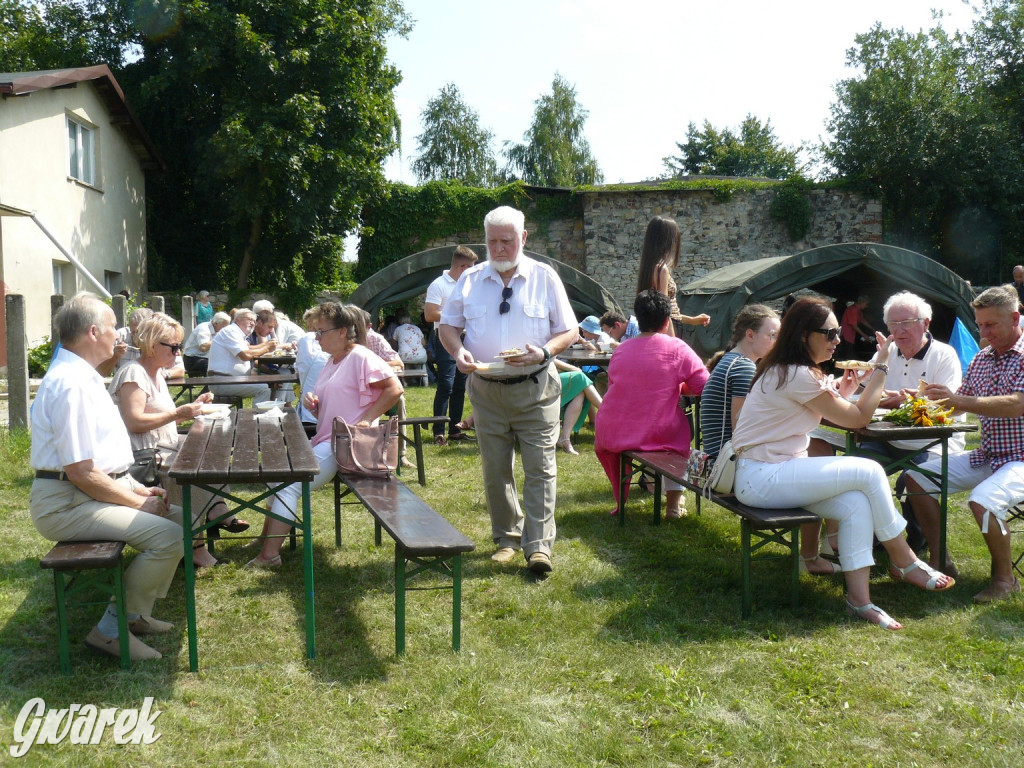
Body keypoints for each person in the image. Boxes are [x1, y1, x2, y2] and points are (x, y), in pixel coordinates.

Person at [730, 297, 954, 631]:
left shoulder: (790, 370)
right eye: (830, 334)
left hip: (770, 474)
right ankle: (904, 558)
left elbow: (824, 404)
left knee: (856, 503)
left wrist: (844, 388)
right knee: (868, 471)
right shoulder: (796, 374)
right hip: (763, 478)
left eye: (838, 333)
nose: (838, 340)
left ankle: (860, 601)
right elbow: (859, 417)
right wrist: (881, 367)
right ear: (805, 335)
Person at [29, 293, 183, 662]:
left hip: (86, 493)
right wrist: (137, 501)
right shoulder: (71, 384)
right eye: (114, 326)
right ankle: (110, 631)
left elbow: (98, 463)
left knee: (182, 520)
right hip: (66, 503)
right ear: (94, 331)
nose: (120, 334)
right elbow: (80, 471)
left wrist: (134, 486)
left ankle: (134, 613)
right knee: (170, 535)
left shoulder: (83, 376)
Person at [439, 206, 577, 575]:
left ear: (523, 238)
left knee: (540, 468)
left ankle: (539, 546)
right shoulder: (468, 280)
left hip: (536, 388)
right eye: (492, 241)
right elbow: (447, 326)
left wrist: (545, 350)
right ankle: (506, 537)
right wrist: (458, 350)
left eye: (507, 241)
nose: (499, 248)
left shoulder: (545, 277)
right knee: (495, 469)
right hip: (485, 389)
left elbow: (569, 330)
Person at [246, 303, 403, 567]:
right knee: (278, 478)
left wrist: (365, 420)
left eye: (320, 332)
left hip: (347, 444)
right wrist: (316, 406)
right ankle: (266, 539)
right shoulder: (334, 360)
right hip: (329, 438)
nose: (316, 338)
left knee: (289, 483)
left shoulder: (360, 356)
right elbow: (337, 406)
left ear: (342, 332)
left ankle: (270, 555)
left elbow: (394, 389)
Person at [904, 285, 1024, 603]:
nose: (983, 332)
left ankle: (1004, 580)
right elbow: (959, 406)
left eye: (990, 325)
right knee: (915, 478)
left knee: (982, 500)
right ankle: (941, 561)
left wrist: (959, 399)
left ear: (1015, 318)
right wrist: (924, 400)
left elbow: (1016, 404)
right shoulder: (983, 358)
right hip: (991, 454)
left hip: (1022, 459)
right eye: (979, 324)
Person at [109, 313, 249, 569]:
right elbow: (134, 422)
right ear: (152, 346)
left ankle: (215, 509)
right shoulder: (133, 374)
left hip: (164, 448)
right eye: (173, 347)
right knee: (192, 472)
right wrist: (179, 413)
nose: (177, 352)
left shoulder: (156, 374)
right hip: (146, 459)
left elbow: (159, 418)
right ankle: (198, 545)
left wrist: (193, 408)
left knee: (213, 450)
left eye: (179, 346)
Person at [594, 290, 708, 518]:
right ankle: (673, 506)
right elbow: (703, 385)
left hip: (613, 432)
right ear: (667, 322)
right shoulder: (678, 348)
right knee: (680, 437)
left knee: (666, 427)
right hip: (655, 433)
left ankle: (632, 496)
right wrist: (679, 387)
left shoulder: (620, 350)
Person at [700, 304, 780, 460]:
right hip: (726, 466)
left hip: (718, 459)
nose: (777, 342)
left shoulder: (731, 360)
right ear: (750, 335)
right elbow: (742, 429)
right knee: (814, 448)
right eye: (772, 335)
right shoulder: (743, 367)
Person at [425, 245, 479, 445]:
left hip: (465, 337)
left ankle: (455, 429)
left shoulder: (469, 285)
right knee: (446, 384)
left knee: (459, 386)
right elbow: (430, 314)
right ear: (463, 267)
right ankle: (438, 431)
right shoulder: (438, 284)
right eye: (472, 267)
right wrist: (457, 315)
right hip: (445, 336)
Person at [635, 216, 710, 337]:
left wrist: (692, 320)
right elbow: (664, 311)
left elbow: (668, 311)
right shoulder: (661, 270)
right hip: (669, 329)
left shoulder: (649, 269)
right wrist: (672, 341)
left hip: (663, 328)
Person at [206, 308, 277, 404]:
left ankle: (272, 411)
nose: (253, 323)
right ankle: (257, 417)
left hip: (231, 379)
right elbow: (245, 355)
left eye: (254, 321)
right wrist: (267, 348)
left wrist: (267, 345)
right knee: (264, 388)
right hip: (222, 381)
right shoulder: (230, 331)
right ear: (238, 319)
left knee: (274, 380)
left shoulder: (238, 334)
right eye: (250, 320)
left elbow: (249, 349)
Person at [552, 358, 602, 455]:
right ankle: (609, 412)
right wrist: (572, 368)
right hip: (539, 380)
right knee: (580, 377)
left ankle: (565, 438)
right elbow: (549, 357)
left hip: (553, 373)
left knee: (580, 391)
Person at [295, 305, 331, 429]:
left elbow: (299, 368)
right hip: (326, 416)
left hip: (310, 414)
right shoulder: (333, 345)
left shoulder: (306, 339)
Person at [98, 307, 153, 376]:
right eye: (133, 332)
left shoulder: (159, 339)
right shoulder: (120, 337)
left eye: (139, 332)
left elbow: (170, 368)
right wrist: (115, 356)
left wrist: (166, 374)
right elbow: (101, 373)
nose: (136, 336)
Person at [182, 311, 230, 376]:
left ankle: (210, 386)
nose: (226, 329)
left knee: (225, 364)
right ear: (216, 323)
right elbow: (203, 347)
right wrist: (218, 340)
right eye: (224, 326)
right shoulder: (204, 328)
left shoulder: (217, 330)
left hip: (204, 358)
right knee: (215, 367)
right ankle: (210, 386)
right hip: (192, 359)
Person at [839, 295, 876, 360]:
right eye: (866, 304)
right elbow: (854, 326)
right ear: (862, 302)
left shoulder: (858, 310)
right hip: (846, 335)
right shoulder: (853, 310)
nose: (866, 306)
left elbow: (863, 320)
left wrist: (872, 328)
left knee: (851, 353)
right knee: (849, 355)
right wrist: (865, 336)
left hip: (851, 335)